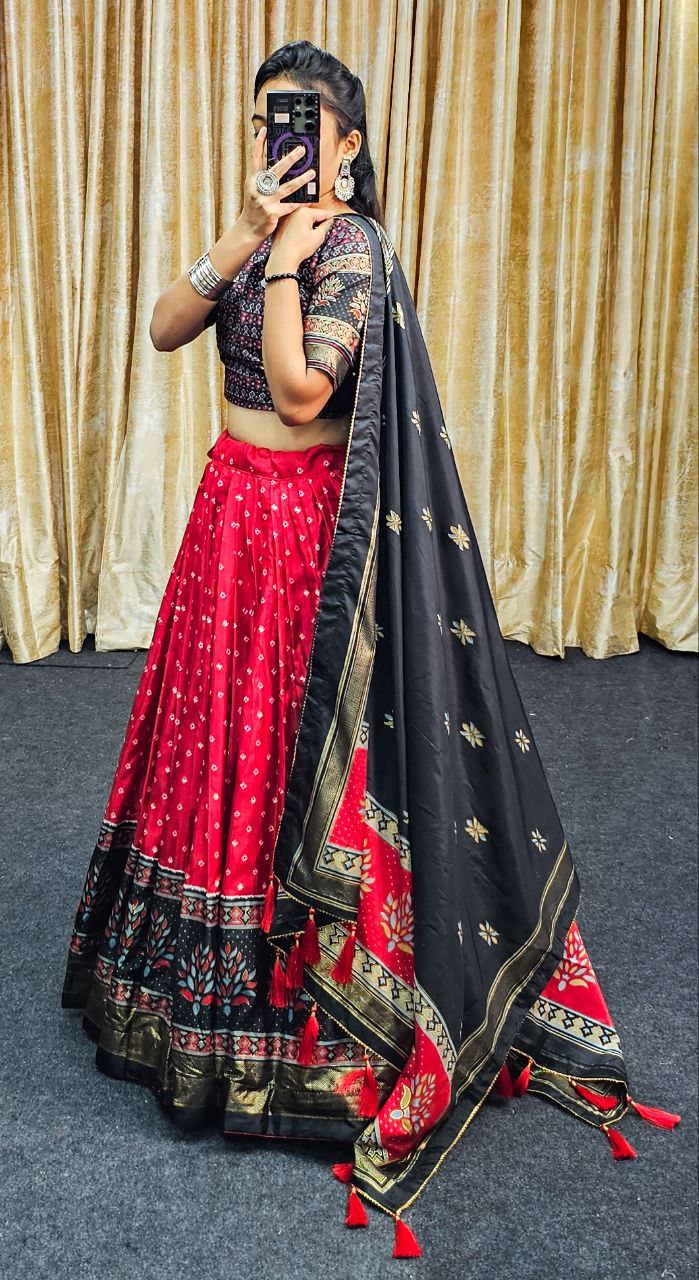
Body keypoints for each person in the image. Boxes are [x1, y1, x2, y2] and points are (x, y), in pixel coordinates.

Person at [61, 40, 680, 1261]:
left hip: (301, 540)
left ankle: (307, 1015)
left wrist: (289, 259)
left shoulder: (351, 252)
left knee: (280, 755)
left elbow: (299, 395)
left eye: (298, 128)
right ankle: (193, 1002)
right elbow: (163, 326)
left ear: (348, 141)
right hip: (225, 519)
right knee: (211, 743)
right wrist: (244, 237)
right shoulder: (263, 236)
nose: (277, 143)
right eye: (263, 125)